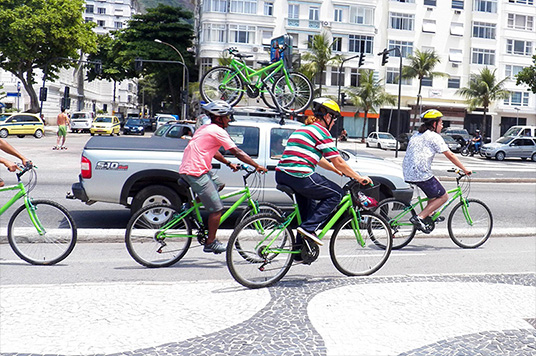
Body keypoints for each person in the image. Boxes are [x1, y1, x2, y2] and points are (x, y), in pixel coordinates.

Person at [275, 98, 371, 247]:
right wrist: (358, 177)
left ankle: (300, 251)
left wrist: (336, 171)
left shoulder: (303, 129)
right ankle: (309, 229)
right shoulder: (321, 132)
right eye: (334, 119)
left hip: (283, 174)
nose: (333, 124)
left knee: (309, 209)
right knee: (336, 194)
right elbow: (338, 161)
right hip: (300, 175)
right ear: (327, 116)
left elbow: (320, 160)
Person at [179, 100, 268, 254]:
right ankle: (211, 242)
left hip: (194, 168)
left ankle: (191, 207)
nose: (229, 119)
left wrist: (228, 163)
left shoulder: (205, 128)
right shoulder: (218, 131)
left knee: (219, 184)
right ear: (219, 118)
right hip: (196, 171)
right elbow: (237, 152)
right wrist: (256, 166)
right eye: (227, 117)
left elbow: (213, 150)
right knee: (217, 210)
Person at [402, 109, 472, 232]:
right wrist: (465, 169)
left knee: (435, 184)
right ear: (434, 124)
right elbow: (450, 155)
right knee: (444, 197)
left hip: (409, 172)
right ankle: (420, 217)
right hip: (420, 173)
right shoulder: (434, 136)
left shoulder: (416, 135)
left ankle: (429, 215)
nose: (442, 125)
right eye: (441, 122)